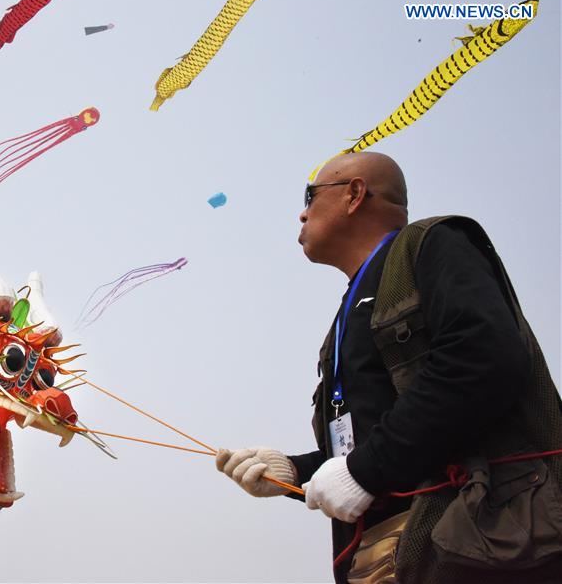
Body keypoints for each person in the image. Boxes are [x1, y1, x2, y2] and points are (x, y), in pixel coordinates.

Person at [216, 152, 562, 583]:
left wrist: (365, 470)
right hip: (386, 556)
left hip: (479, 543)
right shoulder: (348, 312)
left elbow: (481, 360)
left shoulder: (434, 243)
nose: (301, 213)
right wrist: (296, 472)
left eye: (310, 195)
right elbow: (382, 437)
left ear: (354, 194)